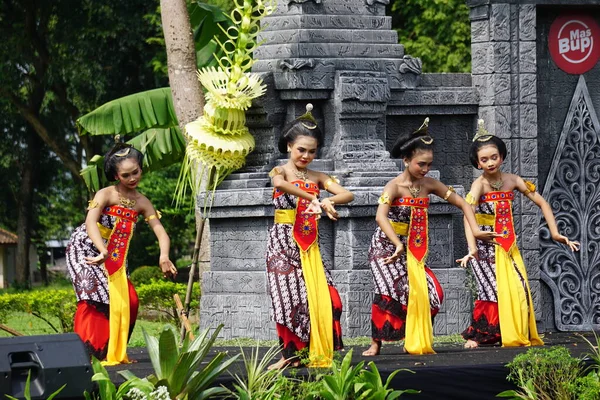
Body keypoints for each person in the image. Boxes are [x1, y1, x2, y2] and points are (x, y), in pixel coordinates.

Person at [362, 118, 498, 356]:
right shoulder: (393, 187)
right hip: (386, 250)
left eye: (428, 164)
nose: (425, 169)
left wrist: (476, 231)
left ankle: (415, 337)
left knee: (433, 294)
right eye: (420, 164)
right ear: (406, 160)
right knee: (388, 292)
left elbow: (463, 203)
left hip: (413, 251)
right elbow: (380, 218)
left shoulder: (430, 184)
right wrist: (396, 243)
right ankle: (376, 343)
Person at [458, 120, 579, 348]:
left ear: (502, 156)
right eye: (484, 160)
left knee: (519, 288)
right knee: (492, 289)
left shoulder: (512, 180)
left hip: (508, 246)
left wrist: (555, 233)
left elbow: (541, 202)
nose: (490, 162)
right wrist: (473, 243)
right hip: (484, 248)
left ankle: (507, 332)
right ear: (477, 163)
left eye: (494, 157)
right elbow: (467, 212)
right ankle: (479, 336)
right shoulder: (479, 185)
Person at [66, 142, 177, 365]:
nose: (132, 178)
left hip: (115, 256)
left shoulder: (143, 202)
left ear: (141, 169)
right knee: (92, 295)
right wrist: (102, 249)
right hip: (86, 249)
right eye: (126, 175)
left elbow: (161, 234)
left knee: (131, 301)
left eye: (135, 172)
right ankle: (87, 354)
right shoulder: (104, 194)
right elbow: (90, 222)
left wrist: (163, 255)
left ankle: (114, 351)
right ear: (116, 175)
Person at [266, 104, 354, 369]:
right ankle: (289, 355)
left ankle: (313, 350)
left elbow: (347, 194)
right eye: (300, 149)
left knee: (329, 299)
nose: (306, 155)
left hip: (309, 244)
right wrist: (314, 198)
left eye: (312, 151)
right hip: (283, 243)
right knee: (288, 301)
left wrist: (327, 201)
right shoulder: (279, 171)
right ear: (289, 146)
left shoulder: (318, 176)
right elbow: (279, 185)